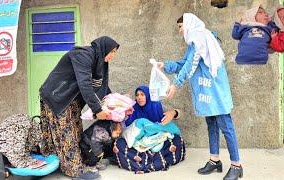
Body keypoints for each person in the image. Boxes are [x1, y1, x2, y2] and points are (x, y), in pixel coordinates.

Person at [156, 13, 243, 179]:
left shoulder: (201, 39)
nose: (180, 32)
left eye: (180, 27)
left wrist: (175, 85)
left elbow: (190, 66)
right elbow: (183, 63)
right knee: (211, 124)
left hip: (216, 92)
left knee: (226, 127)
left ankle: (236, 165)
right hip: (207, 92)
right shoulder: (194, 43)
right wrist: (165, 65)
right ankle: (214, 160)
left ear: (188, 25)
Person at [39, 36, 119, 180]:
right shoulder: (83, 55)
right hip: (57, 96)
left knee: (75, 129)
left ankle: (69, 162)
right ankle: (75, 170)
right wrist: (98, 110)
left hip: (71, 98)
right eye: (112, 51)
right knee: (66, 131)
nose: (113, 55)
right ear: (104, 48)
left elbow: (100, 85)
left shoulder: (97, 61)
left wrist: (116, 100)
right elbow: (85, 84)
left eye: (115, 52)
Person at [113, 86, 185, 174]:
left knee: (177, 139)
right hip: (138, 142)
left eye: (142, 94)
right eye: (137, 95)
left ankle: (141, 161)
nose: (139, 97)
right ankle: (153, 160)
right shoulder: (132, 109)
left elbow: (179, 113)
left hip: (157, 140)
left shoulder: (156, 106)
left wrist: (174, 113)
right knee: (119, 144)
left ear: (148, 95)